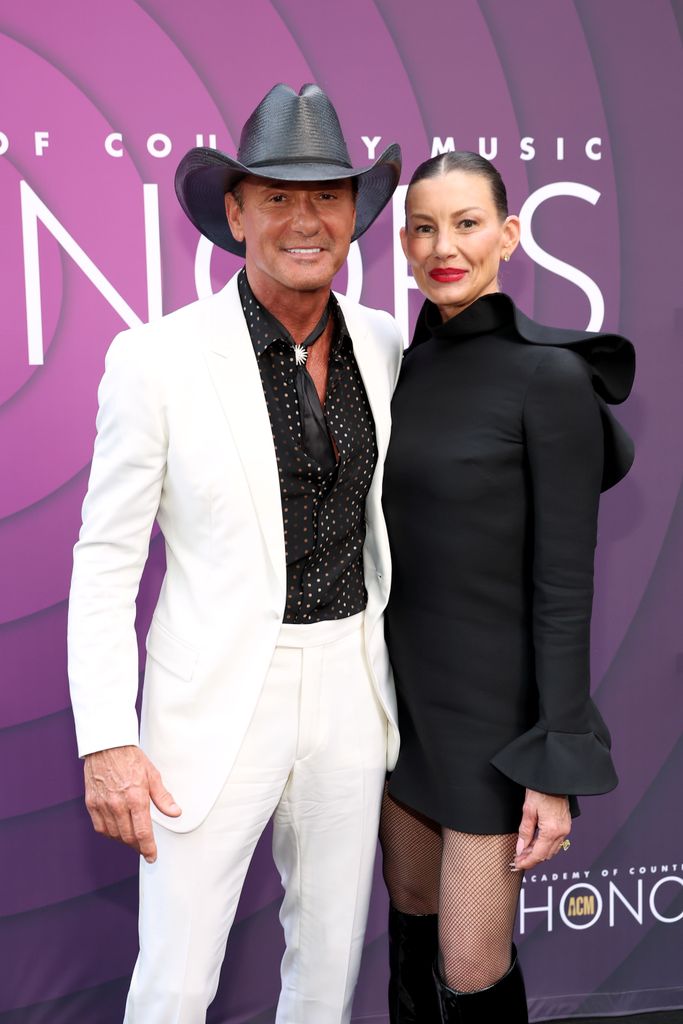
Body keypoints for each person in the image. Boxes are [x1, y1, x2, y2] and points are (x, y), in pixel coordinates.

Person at [67, 83, 403, 1024]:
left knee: (327, 969)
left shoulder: (384, 343)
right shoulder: (156, 359)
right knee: (175, 982)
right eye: (279, 196)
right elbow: (105, 563)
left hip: (350, 689)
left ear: (354, 214)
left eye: (327, 196)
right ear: (236, 211)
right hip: (208, 706)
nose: (306, 219)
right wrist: (107, 740)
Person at [378, 151, 635, 1023]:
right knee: (410, 933)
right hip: (397, 708)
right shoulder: (395, 372)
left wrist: (552, 761)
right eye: (423, 227)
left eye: (466, 223)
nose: (443, 246)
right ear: (403, 244)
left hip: (493, 731)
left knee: (471, 963)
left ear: (508, 235)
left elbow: (565, 586)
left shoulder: (550, 377)